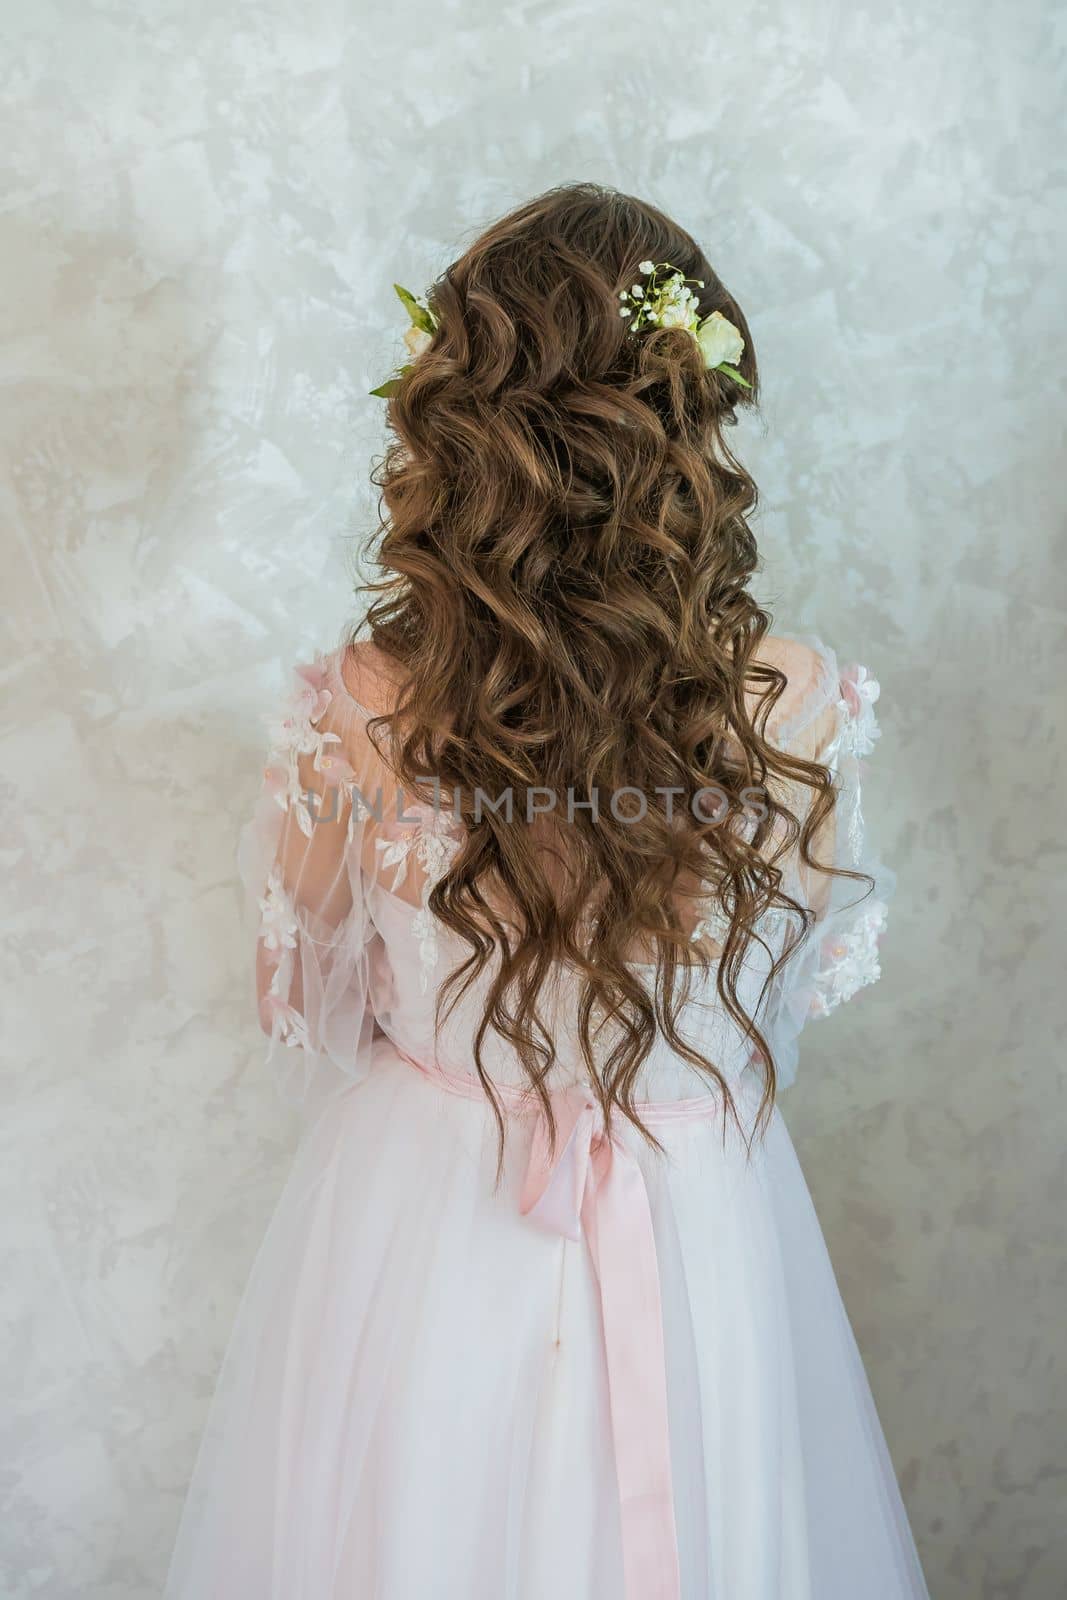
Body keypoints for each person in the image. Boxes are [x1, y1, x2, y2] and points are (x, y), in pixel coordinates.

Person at [166, 182, 930, 1599]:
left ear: (457, 420)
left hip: (433, 1206)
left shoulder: (357, 703)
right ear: (689, 421)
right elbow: (787, 1003)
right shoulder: (805, 703)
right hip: (697, 1201)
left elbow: (304, 1004)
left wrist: (473, 1038)